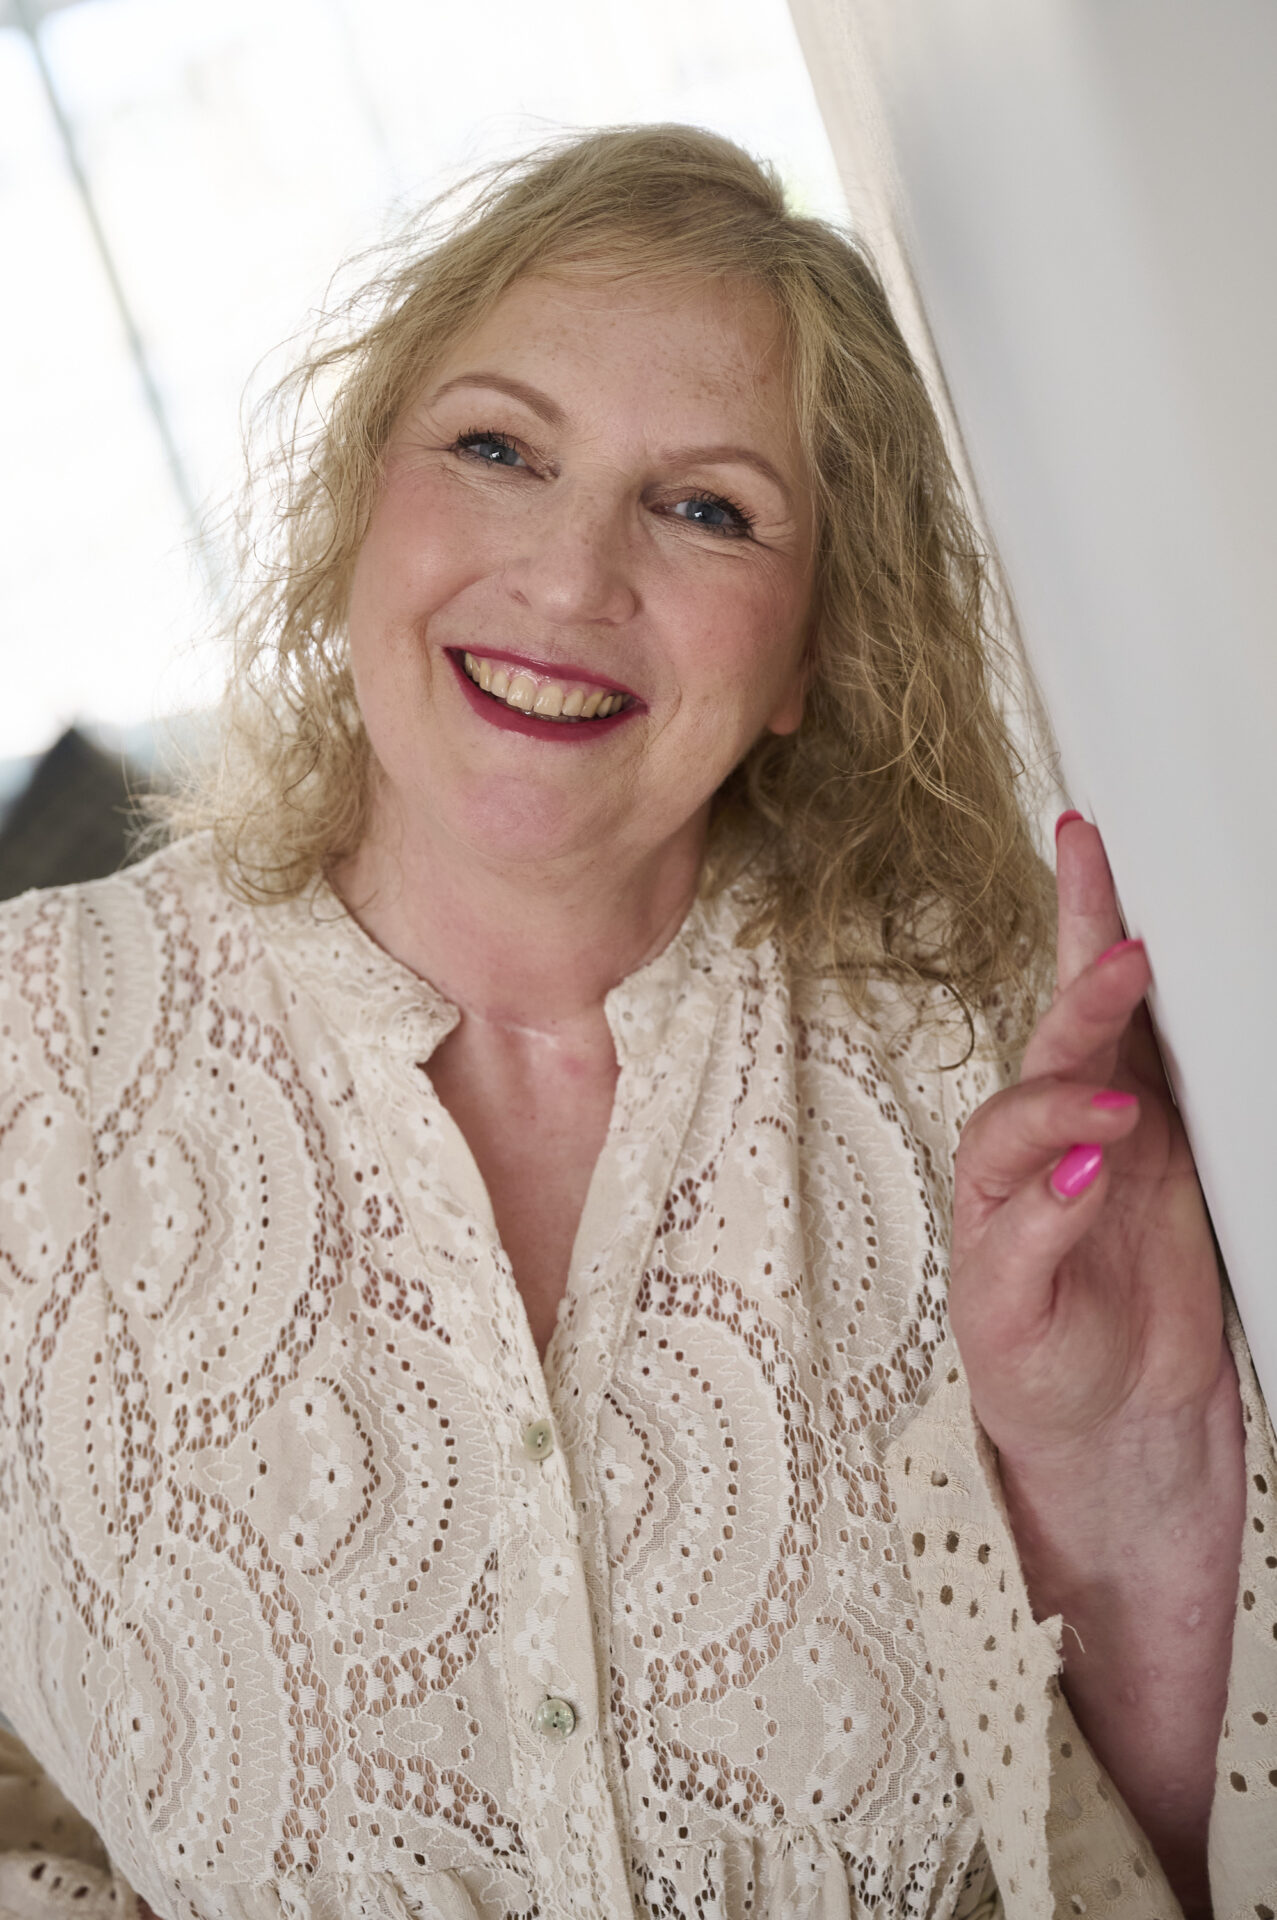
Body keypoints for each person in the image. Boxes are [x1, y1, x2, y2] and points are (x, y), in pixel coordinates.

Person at [0, 125, 1272, 1920]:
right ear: (365, 499)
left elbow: (1174, 1847)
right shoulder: (27, 1056)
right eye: (497, 449)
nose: (572, 576)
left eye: (706, 510)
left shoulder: (996, 1063)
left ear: (810, 649)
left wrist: (1115, 1463)